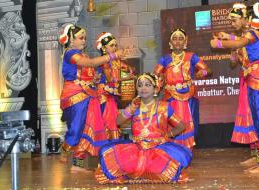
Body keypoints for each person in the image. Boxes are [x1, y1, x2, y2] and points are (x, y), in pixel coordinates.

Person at [210, 2, 259, 173]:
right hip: (254, 81)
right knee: (258, 122)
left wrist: (218, 44)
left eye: (234, 20)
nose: (232, 24)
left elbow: (238, 43)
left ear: (246, 19)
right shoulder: (250, 36)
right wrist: (229, 39)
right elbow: (235, 55)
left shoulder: (252, 34)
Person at [95, 73, 192, 184]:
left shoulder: (164, 107)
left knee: (180, 156)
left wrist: (166, 137)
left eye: (147, 85)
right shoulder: (134, 106)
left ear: (155, 89)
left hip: (159, 148)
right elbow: (117, 122)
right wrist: (131, 108)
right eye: (140, 85)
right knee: (105, 152)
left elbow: (181, 126)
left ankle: (139, 172)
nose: (143, 88)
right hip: (136, 148)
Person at [58, 23, 124, 173]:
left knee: (88, 129)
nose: (84, 41)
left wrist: (93, 81)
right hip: (74, 95)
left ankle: (77, 165)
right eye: (81, 38)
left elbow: (88, 72)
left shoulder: (82, 55)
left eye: (85, 38)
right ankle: (64, 148)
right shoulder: (70, 53)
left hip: (88, 94)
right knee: (77, 128)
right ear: (70, 39)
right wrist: (113, 55)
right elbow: (91, 63)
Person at [153, 28, 211, 151]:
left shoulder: (191, 57)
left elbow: (208, 70)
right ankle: (172, 149)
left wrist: (203, 72)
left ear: (185, 42)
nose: (177, 41)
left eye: (180, 39)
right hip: (170, 96)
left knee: (189, 122)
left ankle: (187, 150)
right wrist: (156, 86)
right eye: (175, 39)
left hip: (188, 96)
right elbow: (155, 76)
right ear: (170, 42)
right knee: (171, 122)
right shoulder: (165, 59)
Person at [94, 32, 136, 140]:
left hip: (111, 93)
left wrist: (130, 71)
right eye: (111, 45)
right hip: (104, 94)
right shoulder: (104, 62)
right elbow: (110, 80)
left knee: (113, 116)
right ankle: (108, 140)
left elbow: (126, 68)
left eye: (115, 45)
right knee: (108, 117)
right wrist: (127, 78)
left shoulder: (114, 61)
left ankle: (112, 140)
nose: (115, 48)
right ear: (104, 48)